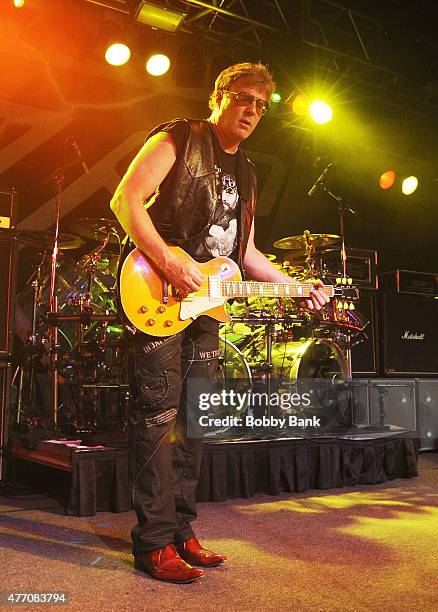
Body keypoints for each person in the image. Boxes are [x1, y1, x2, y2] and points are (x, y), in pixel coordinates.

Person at [110, 62, 330, 584]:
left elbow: (246, 253)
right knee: (158, 420)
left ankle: (183, 531)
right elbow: (125, 200)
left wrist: (298, 287)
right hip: (158, 292)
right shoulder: (180, 138)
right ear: (219, 97)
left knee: (195, 422)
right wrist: (168, 259)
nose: (253, 110)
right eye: (244, 98)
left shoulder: (248, 172)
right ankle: (155, 541)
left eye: (262, 105)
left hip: (206, 309)